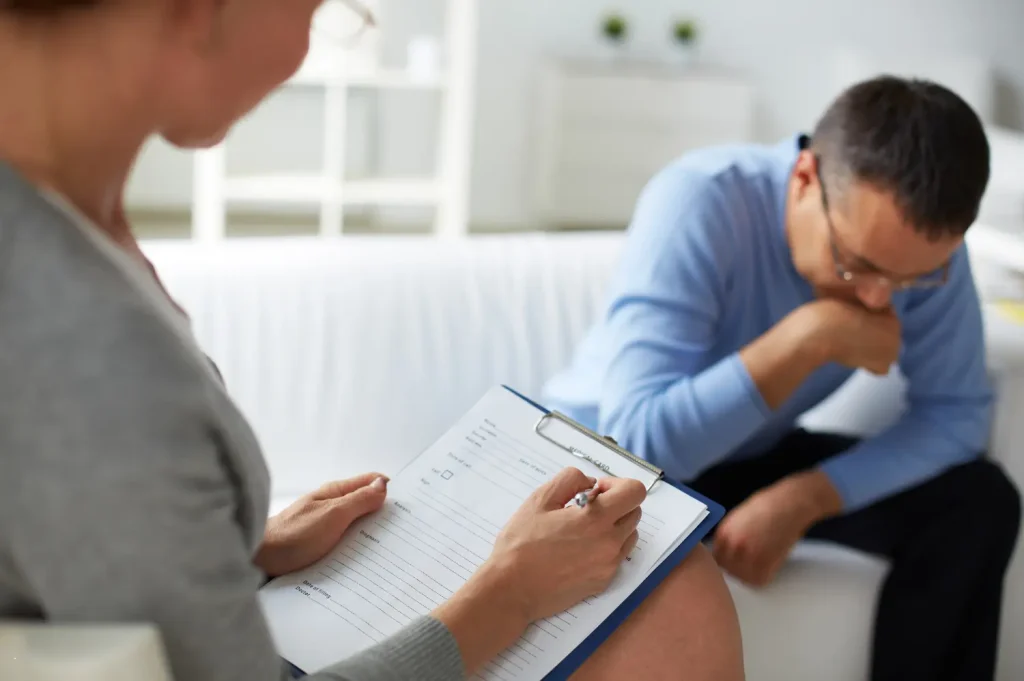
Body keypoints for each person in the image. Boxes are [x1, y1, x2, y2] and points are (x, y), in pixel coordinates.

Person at [0, 1, 746, 681]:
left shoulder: (70, 222)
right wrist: (508, 594)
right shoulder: (75, 332)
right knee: (671, 598)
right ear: (200, 11)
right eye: (321, 10)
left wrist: (241, 547)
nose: (304, 48)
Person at [543, 75, 1022, 681]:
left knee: (978, 502)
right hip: (600, 461)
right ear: (803, 179)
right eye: (859, 265)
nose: (879, 297)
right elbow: (640, 444)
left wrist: (809, 495)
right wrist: (809, 336)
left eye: (910, 279)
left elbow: (956, 413)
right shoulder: (702, 199)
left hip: (745, 456)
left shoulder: (921, 259)